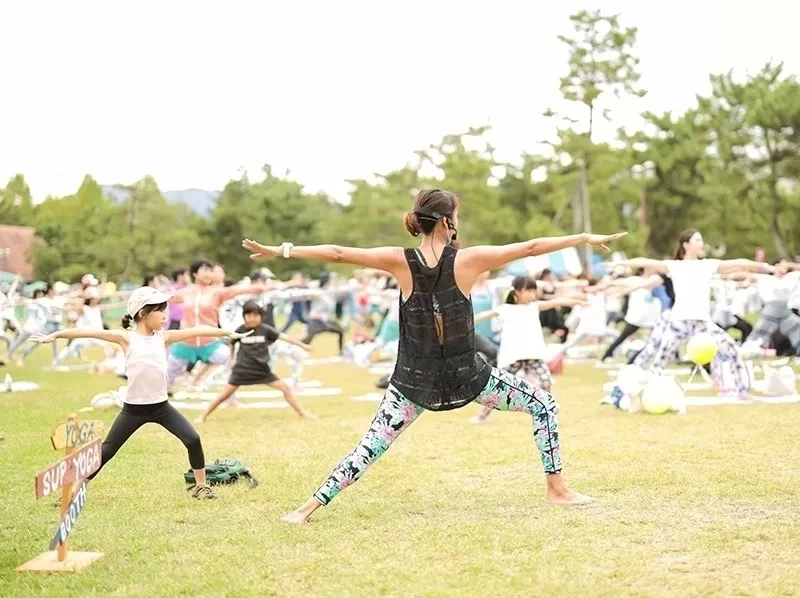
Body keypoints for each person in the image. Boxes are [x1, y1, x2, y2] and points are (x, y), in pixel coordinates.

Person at [242, 188, 626, 523]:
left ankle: (307, 508)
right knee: (543, 405)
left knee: (370, 446)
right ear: (446, 222)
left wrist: (282, 250)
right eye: (456, 218)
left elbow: (341, 254)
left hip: (416, 379)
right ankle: (557, 490)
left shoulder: (399, 259)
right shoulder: (468, 260)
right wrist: (583, 237)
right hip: (465, 376)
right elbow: (529, 248)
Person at [30, 286, 252, 499]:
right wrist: (57, 334)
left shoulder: (163, 337)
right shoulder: (127, 338)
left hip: (161, 407)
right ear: (143, 313)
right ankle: (76, 489)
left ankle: (201, 486)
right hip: (133, 410)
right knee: (106, 451)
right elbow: (86, 331)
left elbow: (196, 330)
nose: (165, 315)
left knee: (193, 439)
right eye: (160, 310)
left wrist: (227, 332)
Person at [621, 228, 775, 399]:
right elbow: (645, 261)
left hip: (703, 323)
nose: (701, 243)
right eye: (697, 240)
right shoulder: (674, 266)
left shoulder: (707, 265)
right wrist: (619, 264)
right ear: (685, 245)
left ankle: (742, 391)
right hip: (679, 321)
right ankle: (630, 392)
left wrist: (763, 266)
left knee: (732, 350)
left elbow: (737, 262)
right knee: (659, 362)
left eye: (701, 240)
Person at [468, 276, 587, 424]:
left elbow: (556, 301)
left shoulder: (534, 306)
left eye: (534, 291)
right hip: (513, 357)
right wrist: (465, 322)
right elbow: (484, 315)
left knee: (545, 382)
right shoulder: (506, 309)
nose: (532, 295)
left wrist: (578, 302)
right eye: (528, 291)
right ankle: (482, 416)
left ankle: (547, 409)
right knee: (498, 388)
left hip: (534, 356)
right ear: (517, 292)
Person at [196, 300, 317, 423]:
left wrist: (303, 346)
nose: (252, 318)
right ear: (244, 316)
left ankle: (303, 413)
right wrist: (232, 359)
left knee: (286, 388)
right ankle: (203, 416)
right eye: (249, 315)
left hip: (262, 370)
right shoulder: (241, 330)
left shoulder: (265, 330)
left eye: (256, 315)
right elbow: (232, 343)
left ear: (261, 316)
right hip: (242, 370)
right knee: (224, 395)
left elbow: (284, 337)